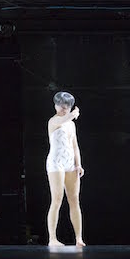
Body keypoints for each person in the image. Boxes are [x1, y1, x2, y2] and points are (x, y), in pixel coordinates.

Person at [46, 91, 86, 247]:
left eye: (66, 107)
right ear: (55, 106)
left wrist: (78, 164)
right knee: (57, 199)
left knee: (74, 200)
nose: (63, 109)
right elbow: (65, 119)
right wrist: (73, 113)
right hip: (56, 163)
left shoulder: (71, 124)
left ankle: (78, 238)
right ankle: (52, 239)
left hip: (70, 163)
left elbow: (75, 146)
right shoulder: (54, 121)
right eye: (61, 106)